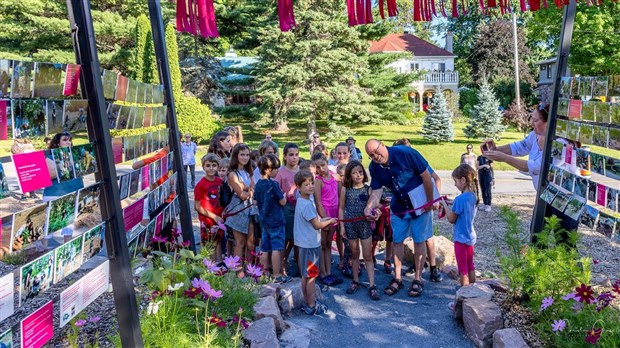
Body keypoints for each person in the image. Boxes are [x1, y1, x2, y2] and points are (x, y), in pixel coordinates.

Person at [483, 103, 579, 240]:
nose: (532, 124)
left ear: (550, 122)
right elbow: (520, 147)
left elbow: (537, 167)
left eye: (535, 120)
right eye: (531, 119)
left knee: (565, 245)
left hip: (566, 199)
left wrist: (504, 158)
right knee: (537, 238)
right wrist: (496, 150)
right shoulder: (536, 135)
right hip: (546, 195)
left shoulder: (563, 144)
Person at [364, 139, 436, 297]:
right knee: (397, 241)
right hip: (399, 207)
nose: (376, 156)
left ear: (383, 145)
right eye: (371, 155)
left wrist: (430, 201)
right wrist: (369, 207)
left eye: (377, 151)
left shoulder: (406, 153)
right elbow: (376, 192)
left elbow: (427, 177)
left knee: (419, 240)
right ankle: (397, 277)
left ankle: (417, 278)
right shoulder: (374, 167)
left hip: (419, 204)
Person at [294, 170, 336, 315]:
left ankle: (307, 302)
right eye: (306, 185)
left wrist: (323, 220)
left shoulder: (301, 201)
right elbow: (317, 226)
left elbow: (314, 221)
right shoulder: (307, 205)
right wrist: (329, 220)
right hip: (311, 245)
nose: (311, 186)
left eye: (312, 183)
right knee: (312, 276)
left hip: (303, 244)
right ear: (298, 187)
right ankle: (312, 305)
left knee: (305, 275)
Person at [339, 160, 380, 300]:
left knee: (367, 255)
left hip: (364, 226)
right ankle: (355, 280)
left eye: (360, 172)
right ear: (349, 175)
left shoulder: (368, 189)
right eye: (355, 173)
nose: (358, 175)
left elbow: (376, 205)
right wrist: (342, 226)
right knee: (354, 254)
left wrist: (377, 211)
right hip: (350, 226)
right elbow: (341, 208)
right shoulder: (345, 189)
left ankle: (372, 285)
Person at [441, 164, 478, 293]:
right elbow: (462, 206)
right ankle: (474, 292)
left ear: (463, 180)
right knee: (470, 265)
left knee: (463, 269)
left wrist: (444, 204)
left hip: (460, 239)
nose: (455, 185)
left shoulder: (459, 199)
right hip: (470, 237)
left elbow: (451, 219)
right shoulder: (473, 196)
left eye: (456, 181)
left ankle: (464, 297)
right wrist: (452, 202)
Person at [253, 154, 290, 284]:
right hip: (276, 220)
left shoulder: (258, 184)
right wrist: (284, 195)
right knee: (276, 247)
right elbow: (283, 202)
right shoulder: (273, 185)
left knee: (264, 247)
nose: (278, 171)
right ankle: (277, 274)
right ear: (269, 170)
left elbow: (255, 202)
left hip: (264, 221)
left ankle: (264, 273)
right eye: (276, 169)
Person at [223, 143, 256, 273]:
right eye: (242, 154)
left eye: (247, 155)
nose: (245, 157)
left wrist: (247, 189)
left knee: (250, 242)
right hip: (238, 210)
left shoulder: (248, 171)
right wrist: (248, 191)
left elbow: (252, 187)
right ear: (236, 155)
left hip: (250, 209)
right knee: (239, 241)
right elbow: (242, 195)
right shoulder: (232, 174)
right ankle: (237, 270)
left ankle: (249, 269)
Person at [311, 152, 342, 287]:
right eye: (317, 167)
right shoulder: (318, 181)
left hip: (335, 212)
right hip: (325, 213)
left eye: (323, 165)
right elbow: (318, 202)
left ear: (326, 162)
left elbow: (340, 196)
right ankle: (323, 272)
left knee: (329, 243)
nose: (321, 169)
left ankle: (329, 271)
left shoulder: (335, 177)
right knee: (323, 244)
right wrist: (325, 219)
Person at [275, 143, 301, 276]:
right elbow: (276, 191)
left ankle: (299, 264)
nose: (294, 158)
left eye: (296, 155)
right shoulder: (281, 173)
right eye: (291, 155)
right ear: (285, 156)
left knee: (298, 238)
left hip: (301, 208)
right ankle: (283, 264)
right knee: (287, 238)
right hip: (287, 208)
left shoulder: (301, 171)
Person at [194, 154, 225, 262]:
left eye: (213, 165)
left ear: (217, 166)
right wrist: (213, 216)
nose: (211, 168)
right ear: (203, 167)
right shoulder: (201, 185)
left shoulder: (220, 182)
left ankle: (219, 264)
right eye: (208, 165)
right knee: (209, 245)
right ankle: (209, 268)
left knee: (218, 242)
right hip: (207, 220)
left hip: (219, 218)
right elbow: (197, 206)